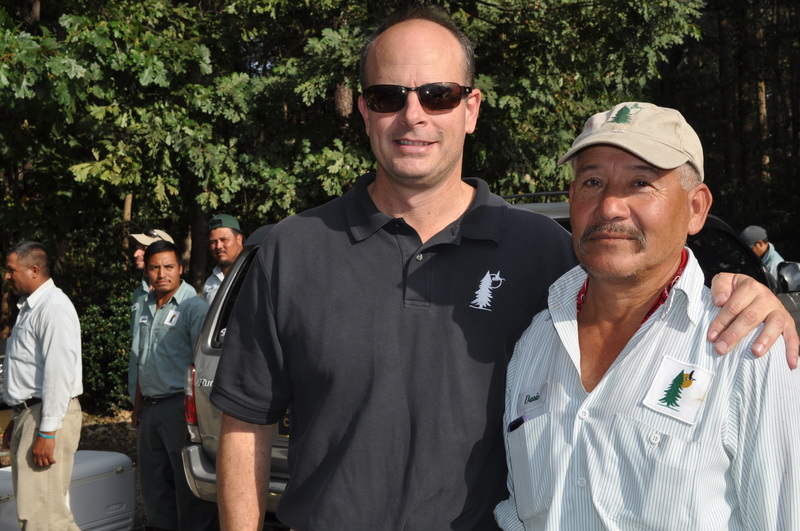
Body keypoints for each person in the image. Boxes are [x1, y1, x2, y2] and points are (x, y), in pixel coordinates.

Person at [210, 7, 798, 531]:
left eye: (437, 95)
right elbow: (245, 426)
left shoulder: (544, 252)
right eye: (390, 96)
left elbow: (643, 278)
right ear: (364, 111)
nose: (412, 116)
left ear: (470, 109)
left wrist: (755, 298)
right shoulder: (292, 250)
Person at [495, 102, 800, 529]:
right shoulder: (536, 342)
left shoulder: (748, 348)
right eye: (593, 181)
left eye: (640, 182)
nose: (610, 207)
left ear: (696, 208)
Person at [131, 240, 218, 530]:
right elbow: (142, 358)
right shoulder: (144, 304)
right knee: (154, 485)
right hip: (150, 409)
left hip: (180, 408)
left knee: (187, 487)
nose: (161, 274)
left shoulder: (194, 307)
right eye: (154, 268)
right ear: (147, 271)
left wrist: (197, 417)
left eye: (168, 267)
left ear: (180, 269)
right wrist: (138, 405)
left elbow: (202, 366)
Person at [1, 241, 83, 530]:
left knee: (42, 518)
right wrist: (16, 417)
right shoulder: (30, 308)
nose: (7, 276)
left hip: (46, 415)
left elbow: (59, 373)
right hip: (31, 414)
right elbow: (28, 372)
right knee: (42, 514)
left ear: (34, 270)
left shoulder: (54, 308)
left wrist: (47, 432)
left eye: (11, 270)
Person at [128, 228, 174, 404]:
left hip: (169, 399)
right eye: (137, 248)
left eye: (144, 249)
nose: (136, 254)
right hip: (141, 397)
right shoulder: (138, 294)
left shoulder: (185, 299)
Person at [202, 214, 244, 304]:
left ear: (239, 239)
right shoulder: (210, 283)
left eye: (224, 240)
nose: (218, 246)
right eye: (213, 242)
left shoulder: (253, 273)